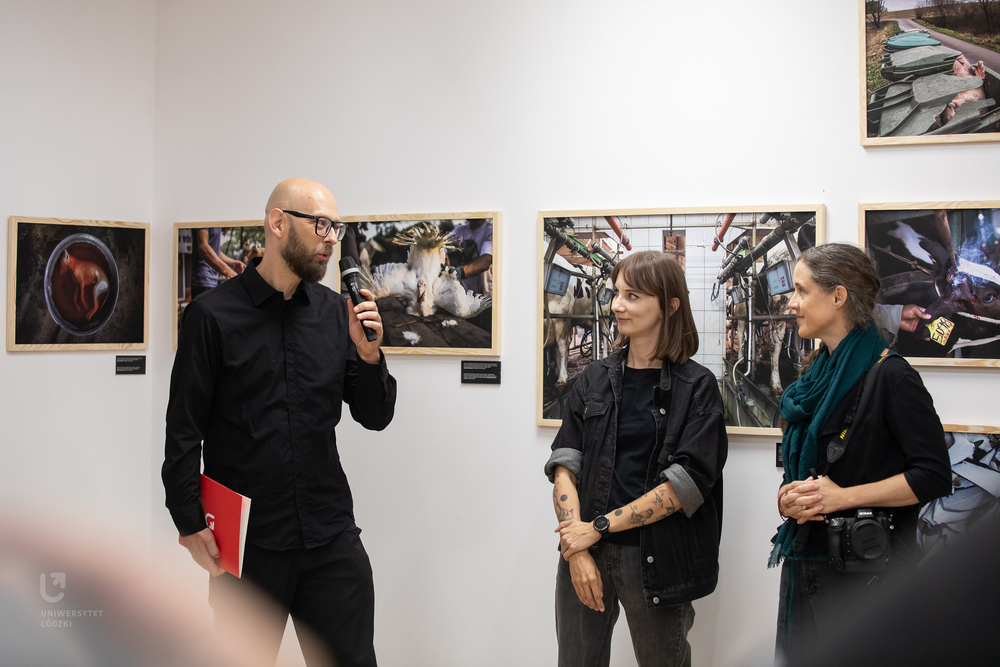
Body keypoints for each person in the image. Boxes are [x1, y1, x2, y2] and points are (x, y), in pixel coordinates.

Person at [163, 178, 396, 667]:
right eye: (322, 225)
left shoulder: (338, 315)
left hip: (329, 534)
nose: (333, 237)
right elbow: (184, 431)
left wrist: (370, 356)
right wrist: (188, 521)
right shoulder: (211, 317)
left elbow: (374, 417)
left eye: (337, 226)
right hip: (248, 545)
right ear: (277, 223)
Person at [544, 251, 728, 667]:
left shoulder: (697, 387)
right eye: (616, 293)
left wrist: (596, 529)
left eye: (633, 295)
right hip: (585, 551)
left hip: (659, 559)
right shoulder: (592, 379)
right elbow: (564, 465)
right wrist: (577, 547)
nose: (617, 305)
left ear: (670, 305)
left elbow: (685, 487)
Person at [770, 243, 952, 662]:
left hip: (867, 581)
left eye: (801, 290)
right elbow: (807, 469)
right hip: (807, 564)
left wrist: (844, 497)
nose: (792, 303)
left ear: (837, 296)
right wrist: (788, 497)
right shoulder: (815, 373)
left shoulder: (892, 376)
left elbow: (933, 474)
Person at [191, 227, 246, 298]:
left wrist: (233, 263)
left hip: (213, 281)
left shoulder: (217, 222)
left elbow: (215, 251)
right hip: (203, 280)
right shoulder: (204, 217)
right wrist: (227, 271)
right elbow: (203, 247)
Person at [448, 218, 493, 297]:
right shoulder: (460, 230)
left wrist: (460, 272)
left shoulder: (491, 230)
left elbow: (486, 261)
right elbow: (442, 243)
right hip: (464, 297)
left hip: (485, 299)